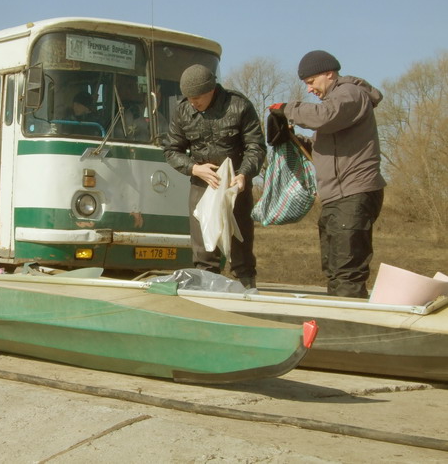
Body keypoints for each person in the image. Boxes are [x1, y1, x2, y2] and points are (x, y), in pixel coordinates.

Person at [269, 50, 386, 298]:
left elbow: (324, 116)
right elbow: (321, 146)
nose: (309, 89)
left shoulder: (350, 93)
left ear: (329, 73)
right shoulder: (336, 105)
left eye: (311, 82)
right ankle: (338, 316)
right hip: (336, 197)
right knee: (334, 270)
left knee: (347, 273)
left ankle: (351, 320)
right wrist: (291, 139)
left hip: (353, 194)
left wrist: (288, 109)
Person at [163, 64, 266, 289]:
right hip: (202, 183)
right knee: (203, 247)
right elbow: (171, 150)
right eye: (189, 98)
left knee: (240, 242)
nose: (193, 103)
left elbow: (256, 146)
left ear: (211, 90)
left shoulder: (239, 105)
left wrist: (244, 174)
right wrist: (193, 168)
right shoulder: (183, 110)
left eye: (197, 98)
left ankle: (246, 286)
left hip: (235, 184)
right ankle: (205, 287)